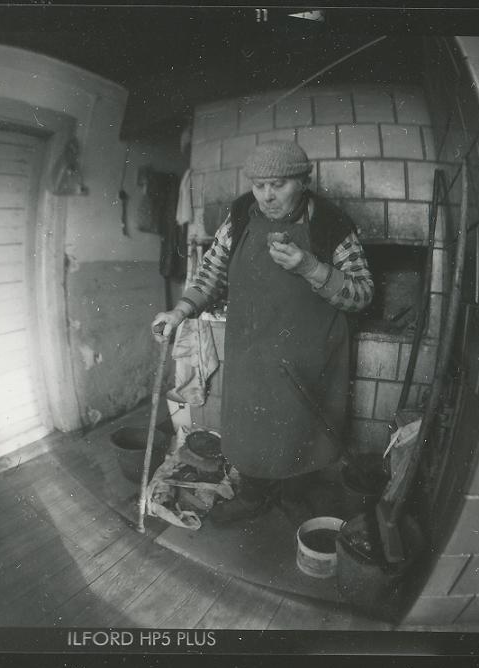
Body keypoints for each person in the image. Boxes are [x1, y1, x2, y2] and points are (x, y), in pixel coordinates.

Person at [150, 140, 373, 523]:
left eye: (279, 185)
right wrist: (179, 311)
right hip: (251, 351)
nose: (267, 196)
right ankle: (252, 497)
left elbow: (362, 294)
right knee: (251, 432)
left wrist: (309, 267)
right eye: (259, 185)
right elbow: (211, 270)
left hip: (309, 357)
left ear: (303, 182)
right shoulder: (241, 214)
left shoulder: (330, 222)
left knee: (302, 434)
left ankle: (294, 499)